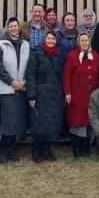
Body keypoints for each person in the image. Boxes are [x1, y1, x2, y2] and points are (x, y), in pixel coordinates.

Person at [0, 17, 30, 164]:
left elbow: (30, 65)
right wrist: (11, 82)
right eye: (11, 26)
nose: (14, 28)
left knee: (17, 121)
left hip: (22, 88)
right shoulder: (1, 45)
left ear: (18, 28)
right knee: (8, 121)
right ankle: (3, 150)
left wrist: (24, 81)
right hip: (6, 88)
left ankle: (12, 149)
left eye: (16, 26)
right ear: (7, 29)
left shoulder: (26, 45)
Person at [26, 31, 64, 163]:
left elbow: (62, 75)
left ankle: (47, 149)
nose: (51, 41)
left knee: (52, 123)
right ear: (44, 40)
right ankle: (36, 150)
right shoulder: (37, 53)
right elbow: (30, 74)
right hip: (40, 94)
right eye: (48, 38)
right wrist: (31, 95)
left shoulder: (58, 55)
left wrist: (63, 93)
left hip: (55, 93)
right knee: (39, 124)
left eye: (53, 39)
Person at [63, 32, 99, 157]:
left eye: (86, 40)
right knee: (77, 121)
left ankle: (86, 147)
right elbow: (66, 76)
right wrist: (68, 92)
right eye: (82, 41)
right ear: (78, 42)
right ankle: (76, 147)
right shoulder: (72, 56)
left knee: (88, 121)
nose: (84, 43)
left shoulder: (95, 55)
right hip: (77, 95)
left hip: (92, 95)